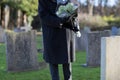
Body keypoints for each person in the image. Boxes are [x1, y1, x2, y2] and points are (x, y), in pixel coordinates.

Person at [38, 0, 78, 80]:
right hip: (51, 35)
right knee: (53, 66)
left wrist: (68, 18)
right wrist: (58, 21)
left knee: (67, 65)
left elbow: (73, 12)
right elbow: (43, 15)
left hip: (66, 34)